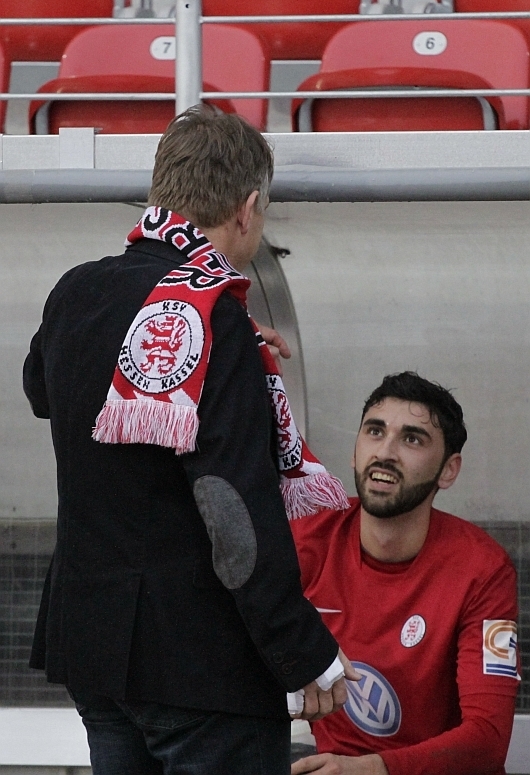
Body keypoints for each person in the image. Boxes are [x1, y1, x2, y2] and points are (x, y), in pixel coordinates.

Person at [22, 106, 357, 775]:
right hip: (199, 665)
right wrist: (300, 647)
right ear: (248, 207)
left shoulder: (77, 291)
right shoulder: (217, 321)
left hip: (95, 650)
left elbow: (42, 389)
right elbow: (230, 507)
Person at [290, 372, 519, 775]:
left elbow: (488, 740)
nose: (386, 452)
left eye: (412, 439)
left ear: (449, 471)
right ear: (355, 450)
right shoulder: (307, 537)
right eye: (375, 432)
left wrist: (369, 769)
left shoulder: (484, 570)